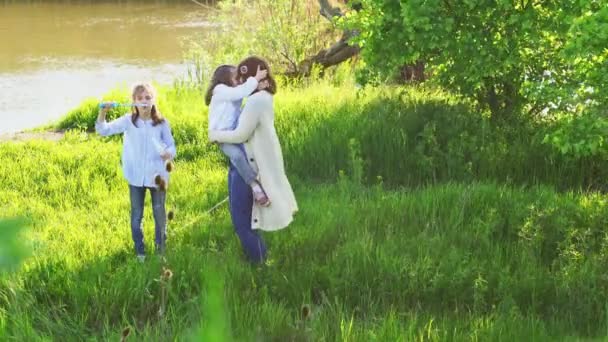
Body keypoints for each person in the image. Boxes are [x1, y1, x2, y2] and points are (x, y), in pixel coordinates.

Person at [208, 56, 297, 263]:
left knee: (241, 222)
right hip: (241, 161)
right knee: (243, 217)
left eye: (241, 74)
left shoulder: (255, 101)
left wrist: (214, 136)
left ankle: (260, 262)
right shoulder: (257, 97)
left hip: (245, 166)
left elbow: (240, 134)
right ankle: (259, 256)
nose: (239, 79)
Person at [96, 83, 176, 262]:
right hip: (135, 177)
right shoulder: (128, 121)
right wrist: (103, 112)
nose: (144, 102)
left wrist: (168, 153)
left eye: (148, 97)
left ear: (153, 100)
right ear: (134, 102)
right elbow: (102, 130)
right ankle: (140, 252)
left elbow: (172, 146)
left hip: (157, 177)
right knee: (136, 215)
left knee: (159, 214)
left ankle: (160, 251)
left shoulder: (162, 123)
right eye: (140, 98)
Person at [205, 64, 270, 206]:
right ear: (225, 79)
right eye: (236, 76)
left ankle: (265, 183)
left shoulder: (234, 91)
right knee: (237, 156)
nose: (240, 79)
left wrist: (259, 86)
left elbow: (245, 94)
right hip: (221, 135)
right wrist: (255, 78)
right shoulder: (220, 90)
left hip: (236, 131)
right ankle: (254, 185)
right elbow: (241, 92)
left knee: (251, 154)